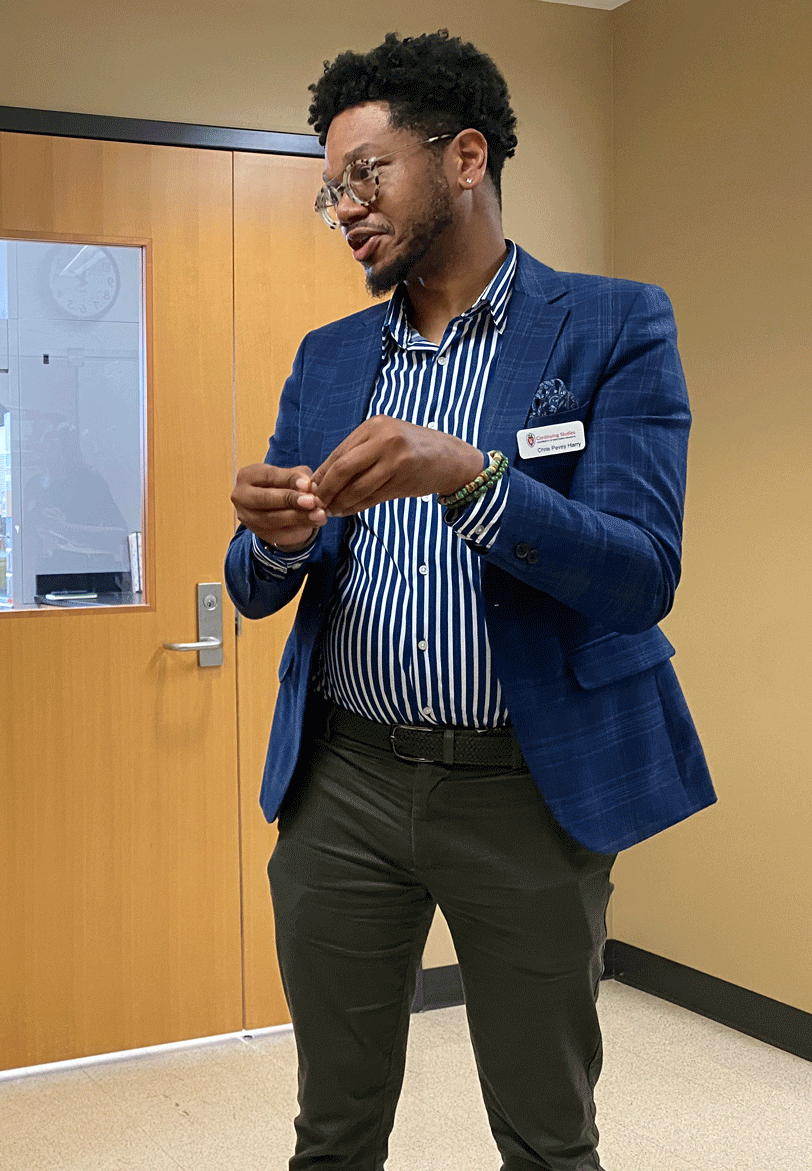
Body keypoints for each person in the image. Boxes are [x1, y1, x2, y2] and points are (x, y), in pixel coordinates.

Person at [225, 31, 713, 1171]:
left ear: (463, 158)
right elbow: (259, 585)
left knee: (547, 1135)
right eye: (328, 186)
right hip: (343, 783)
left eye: (365, 173)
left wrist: (473, 479)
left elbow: (641, 570)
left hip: (527, 791)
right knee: (332, 1128)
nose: (342, 206)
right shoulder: (330, 355)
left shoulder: (613, 325)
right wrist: (277, 542)